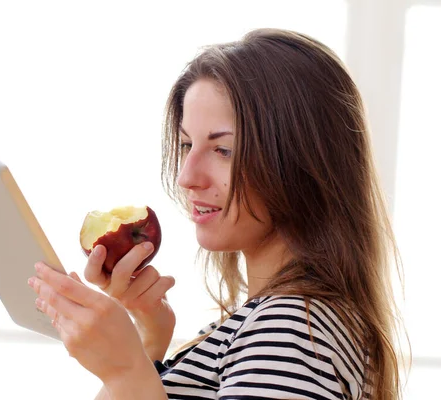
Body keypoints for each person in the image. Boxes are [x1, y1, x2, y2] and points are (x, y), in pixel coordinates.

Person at [27, 28, 408, 399]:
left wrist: (125, 369)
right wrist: (149, 337)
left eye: (223, 150)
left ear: (302, 163)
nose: (186, 177)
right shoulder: (263, 324)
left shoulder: (291, 328)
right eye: (187, 144)